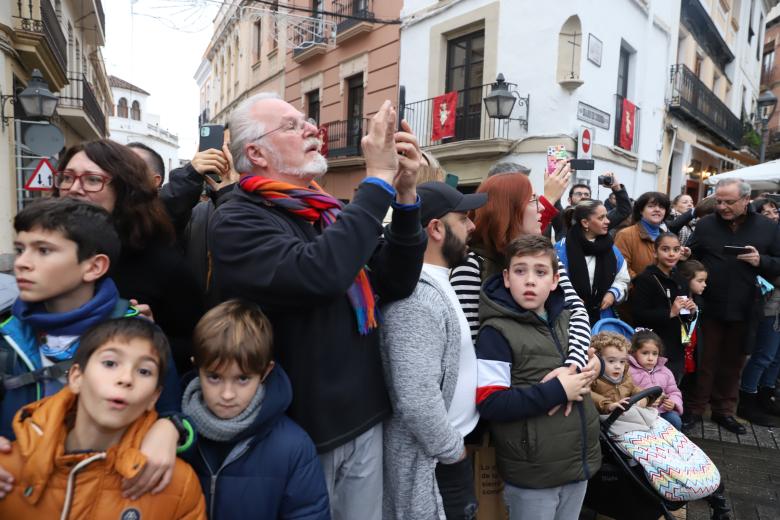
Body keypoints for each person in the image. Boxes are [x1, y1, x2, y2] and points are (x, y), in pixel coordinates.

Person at [208, 93, 426, 519]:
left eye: (306, 120)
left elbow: (395, 281)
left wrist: (404, 195)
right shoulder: (237, 219)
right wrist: (377, 179)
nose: (312, 129)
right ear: (255, 152)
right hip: (299, 429)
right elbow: (319, 274)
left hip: (363, 415)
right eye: (291, 125)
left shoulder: (326, 212)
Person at [0, 198, 190, 500]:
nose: (21, 262)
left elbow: (171, 410)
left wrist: (169, 429)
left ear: (94, 266)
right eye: (21, 249)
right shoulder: (5, 336)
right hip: (22, 497)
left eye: (44, 250)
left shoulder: (141, 335)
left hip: (114, 495)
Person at [0, 318, 206, 518]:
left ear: (154, 397)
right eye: (110, 363)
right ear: (76, 377)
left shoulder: (178, 486)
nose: (126, 378)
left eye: (144, 371)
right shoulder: (6, 468)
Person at [380, 181, 487, 520]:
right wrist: (452, 452)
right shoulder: (418, 299)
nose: (472, 226)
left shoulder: (437, 283)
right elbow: (416, 398)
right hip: (435, 464)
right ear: (436, 228)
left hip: (445, 455)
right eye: (464, 218)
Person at [475, 235, 599, 520]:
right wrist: (558, 390)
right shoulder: (496, 332)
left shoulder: (566, 316)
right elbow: (490, 402)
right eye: (520, 271)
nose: (530, 281)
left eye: (540, 272)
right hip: (533, 472)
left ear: (555, 280)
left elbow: (586, 356)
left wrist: (597, 366)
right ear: (506, 277)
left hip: (578, 461)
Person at [55, 139, 204, 374]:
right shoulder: (42, 252)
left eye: (93, 180)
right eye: (67, 177)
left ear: (124, 191)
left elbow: (197, 350)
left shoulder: (163, 265)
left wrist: (152, 336)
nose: (73, 188)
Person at [181, 300, 329, 520]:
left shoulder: (293, 448)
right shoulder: (175, 435)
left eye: (242, 379)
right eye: (214, 377)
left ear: (265, 371)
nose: (227, 394)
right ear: (197, 367)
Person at [449, 171, 593, 374]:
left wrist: (576, 363)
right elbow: (468, 349)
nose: (542, 207)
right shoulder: (472, 266)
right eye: (533, 200)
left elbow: (576, 309)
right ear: (508, 210)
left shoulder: (545, 257)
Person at [686, 178, 780, 434]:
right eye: (718, 201)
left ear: (746, 200)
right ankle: (695, 409)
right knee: (705, 359)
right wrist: (686, 260)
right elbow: (691, 257)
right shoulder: (706, 225)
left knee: (733, 362)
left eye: (729, 202)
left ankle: (724, 411)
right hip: (710, 304)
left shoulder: (767, 228)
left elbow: (778, 262)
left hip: (746, 305)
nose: (723, 206)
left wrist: (761, 260)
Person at [737, 197, 780, 426]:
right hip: (768, 301)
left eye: (775, 210)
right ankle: (748, 400)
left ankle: (766, 395)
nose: (772, 215)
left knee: (776, 357)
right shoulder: (757, 235)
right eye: (767, 212)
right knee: (764, 354)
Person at [630, 233, 697, 381]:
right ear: (655, 252)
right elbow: (638, 315)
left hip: (677, 345)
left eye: (676, 249)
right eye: (665, 249)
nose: (671, 254)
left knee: (673, 387)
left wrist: (690, 311)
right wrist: (670, 312)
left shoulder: (681, 279)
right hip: (653, 347)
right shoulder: (645, 279)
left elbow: (684, 317)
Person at [554, 199, 630, 325]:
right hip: (568, 319)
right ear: (585, 222)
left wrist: (613, 293)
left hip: (603, 319)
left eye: (606, 216)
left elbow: (623, 279)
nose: (608, 221)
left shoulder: (612, 249)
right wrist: (569, 298)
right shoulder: (560, 250)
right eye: (601, 218)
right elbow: (551, 283)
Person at [628, 329, 684, 430]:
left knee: (675, 420)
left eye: (654, 353)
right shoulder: (629, 371)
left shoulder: (665, 371)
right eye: (645, 353)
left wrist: (672, 403)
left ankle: (673, 442)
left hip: (661, 411)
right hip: (639, 413)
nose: (650, 358)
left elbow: (674, 392)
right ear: (634, 352)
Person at [549, 172, 632, 240]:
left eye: (586, 194)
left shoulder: (600, 219)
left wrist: (616, 187)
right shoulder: (562, 218)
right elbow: (554, 201)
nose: (583, 196)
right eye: (578, 194)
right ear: (569, 200)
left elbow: (624, 210)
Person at [614, 191, 672, 279]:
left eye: (661, 207)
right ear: (641, 210)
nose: (657, 209)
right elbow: (621, 268)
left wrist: (682, 255)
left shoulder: (667, 236)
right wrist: (642, 285)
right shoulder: (625, 234)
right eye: (651, 206)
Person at [676, 259, 708, 414]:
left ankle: (684, 411)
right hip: (680, 349)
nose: (704, 284)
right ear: (686, 280)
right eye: (700, 281)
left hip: (692, 349)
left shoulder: (698, 301)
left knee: (688, 382)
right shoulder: (679, 300)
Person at [589, 331, 649, 413]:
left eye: (622, 361)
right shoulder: (593, 378)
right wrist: (608, 405)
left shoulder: (625, 376)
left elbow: (633, 388)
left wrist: (643, 398)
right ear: (597, 359)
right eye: (611, 361)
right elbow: (589, 395)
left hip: (626, 413)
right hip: (606, 417)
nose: (618, 366)